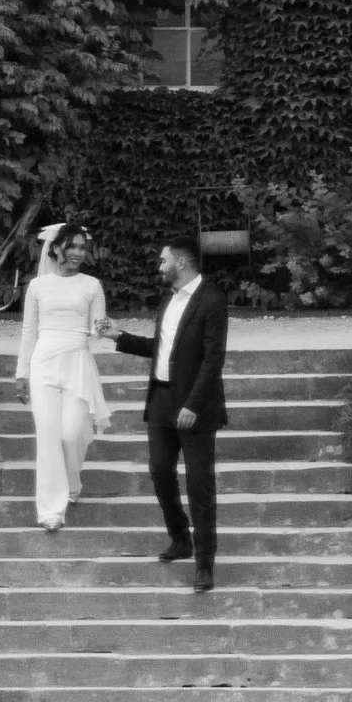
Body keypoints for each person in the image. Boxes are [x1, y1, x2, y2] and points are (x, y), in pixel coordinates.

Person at [114, 230, 227, 594]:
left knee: (199, 484)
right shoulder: (169, 301)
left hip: (194, 405)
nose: (158, 266)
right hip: (161, 400)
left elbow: (213, 361)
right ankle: (180, 538)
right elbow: (161, 350)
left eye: (163, 260)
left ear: (181, 262)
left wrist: (193, 405)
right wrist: (119, 337)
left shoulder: (212, 300)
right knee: (160, 472)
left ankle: (204, 564)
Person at [13, 220, 112, 530]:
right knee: (48, 436)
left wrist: (103, 329)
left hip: (78, 363)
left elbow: (97, 329)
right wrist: (21, 372)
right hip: (43, 364)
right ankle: (51, 512)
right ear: (56, 248)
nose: (78, 253)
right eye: (73, 246)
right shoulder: (37, 287)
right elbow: (29, 330)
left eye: (83, 248)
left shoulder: (91, 285)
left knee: (72, 433)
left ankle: (72, 479)